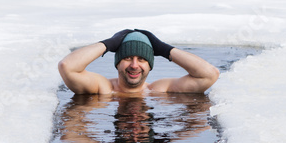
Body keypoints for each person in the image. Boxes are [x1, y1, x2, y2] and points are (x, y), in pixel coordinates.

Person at [58, 29, 219, 95]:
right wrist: (108, 44)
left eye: (142, 59)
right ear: (117, 63)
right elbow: (67, 66)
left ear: (150, 65)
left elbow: (209, 75)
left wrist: (164, 49)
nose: (134, 65)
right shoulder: (103, 88)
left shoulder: (158, 90)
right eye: (127, 58)